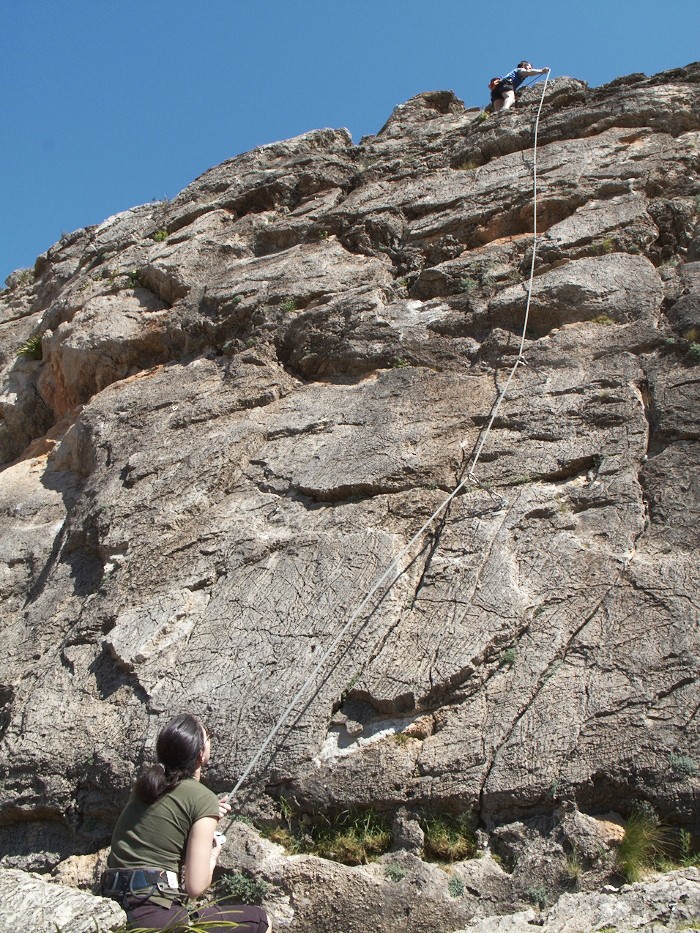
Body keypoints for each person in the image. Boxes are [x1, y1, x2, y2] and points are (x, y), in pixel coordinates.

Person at [100, 713, 271, 932]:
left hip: (113, 900)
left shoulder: (146, 788)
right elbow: (195, 886)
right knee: (259, 920)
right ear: (200, 754)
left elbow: (162, 831)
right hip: (155, 913)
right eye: (208, 735)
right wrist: (212, 854)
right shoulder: (202, 798)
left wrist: (203, 815)